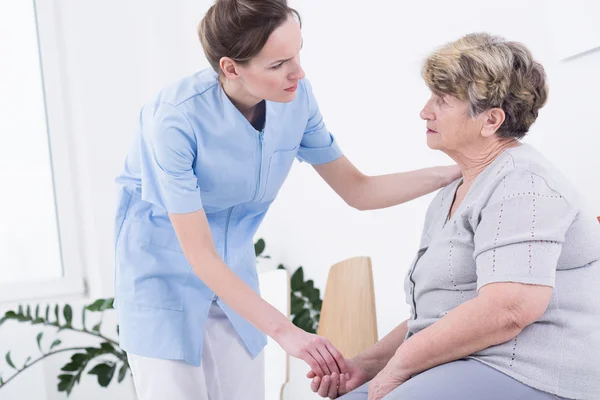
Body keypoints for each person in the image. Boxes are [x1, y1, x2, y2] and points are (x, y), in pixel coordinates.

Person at [113, 1, 460, 399]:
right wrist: (288, 333)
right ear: (231, 68)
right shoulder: (174, 119)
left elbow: (358, 190)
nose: (298, 72)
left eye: (297, 54)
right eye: (278, 65)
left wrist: (454, 171)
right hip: (163, 280)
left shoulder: (296, 97)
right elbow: (201, 256)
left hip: (234, 277)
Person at [309, 32, 600, 400]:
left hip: (529, 370)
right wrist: (366, 365)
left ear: (491, 120)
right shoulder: (455, 191)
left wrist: (399, 367)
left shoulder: (524, 183)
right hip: (471, 361)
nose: (425, 111)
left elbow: (509, 308)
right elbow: (440, 314)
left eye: (442, 100)